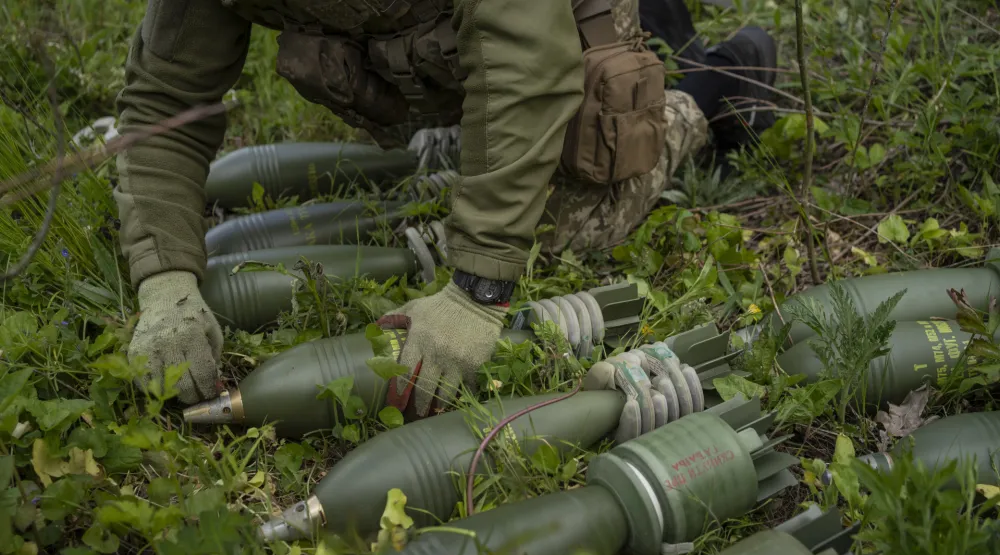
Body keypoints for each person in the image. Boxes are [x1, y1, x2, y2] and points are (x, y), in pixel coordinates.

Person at [117, 0, 776, 422]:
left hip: (543, 26)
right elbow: (163, 100)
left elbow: (527, 61)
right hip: (454, 40)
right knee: (467, 164)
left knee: (576, 225)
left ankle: (718, 77)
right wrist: (164, 277)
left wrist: (476, 287)